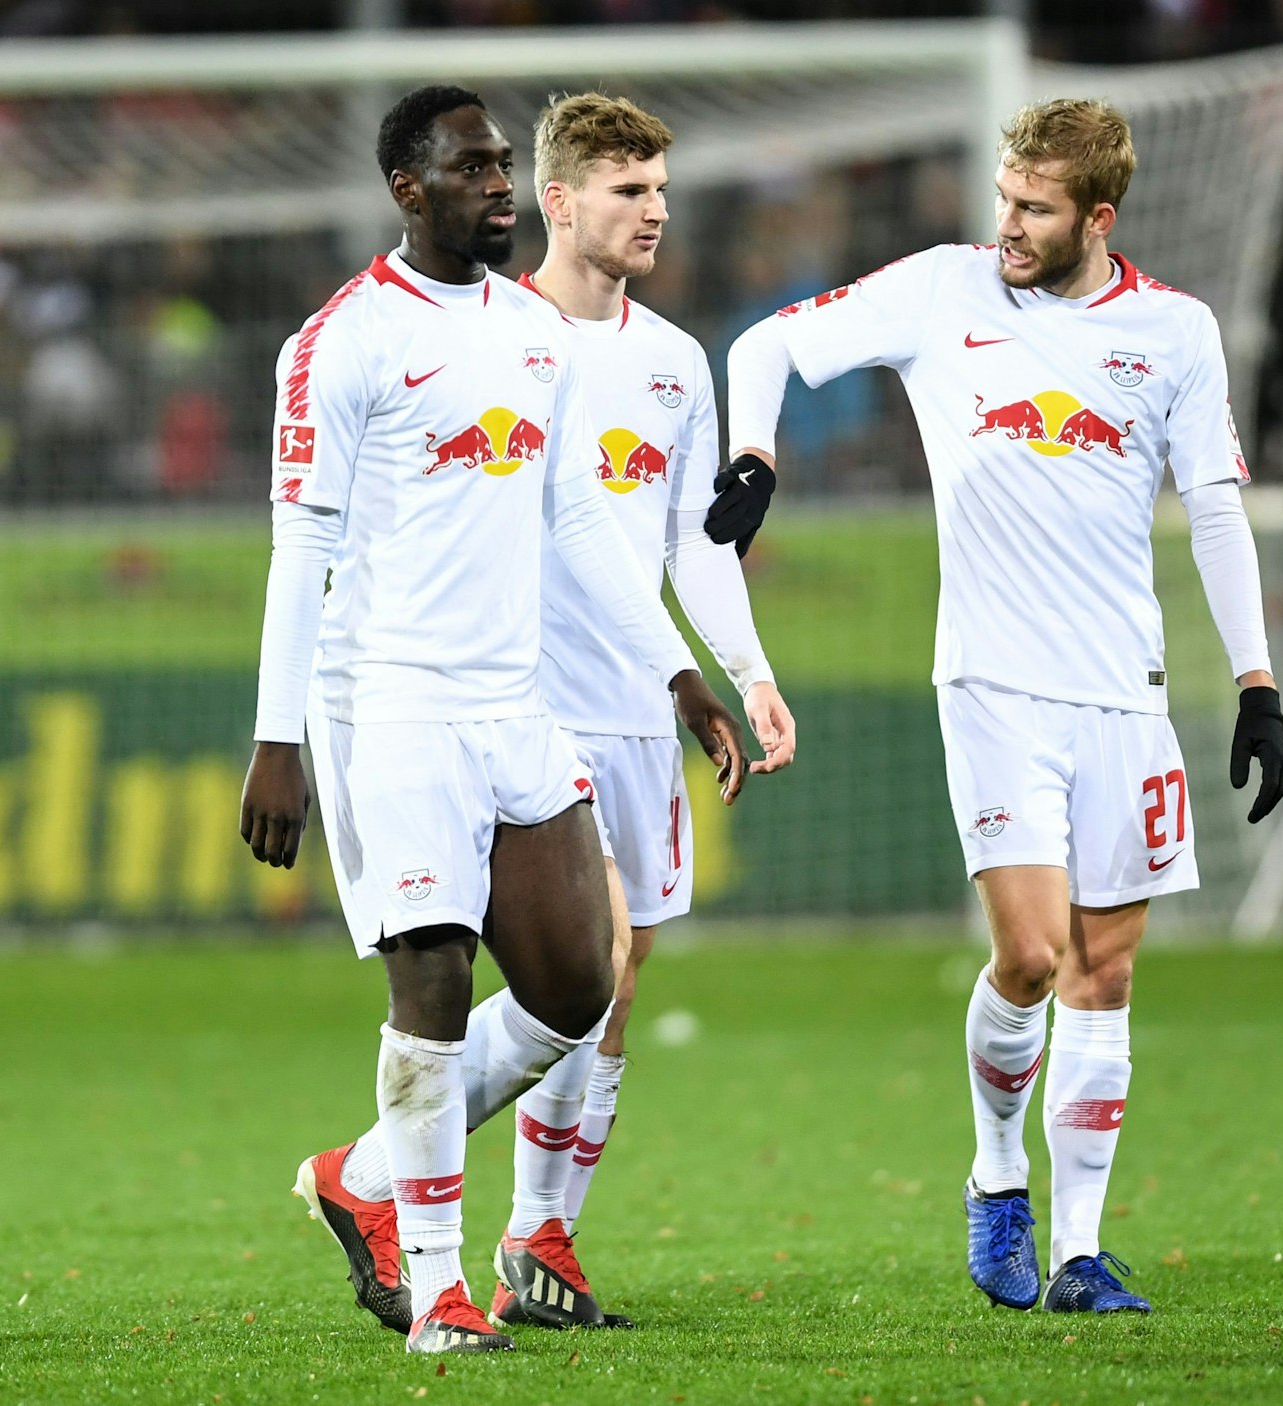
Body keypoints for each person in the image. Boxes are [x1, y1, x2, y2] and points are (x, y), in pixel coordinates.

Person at [711, 98, 1283, 1315]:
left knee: (1108, 967)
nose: (1008, 227)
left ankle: (1078, 1250)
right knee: (1028, 954)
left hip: (1120, 691)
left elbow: (1218, 508)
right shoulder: (941, 289)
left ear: (1098, 215)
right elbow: (764, 344)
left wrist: (1254, 683)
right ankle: (993, 1178)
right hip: (988, 680)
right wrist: (755, 456)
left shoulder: (1174, 332)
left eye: (1034, 209)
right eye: (1003, 200)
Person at [238, 84, 746, 1355]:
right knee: (433, 978)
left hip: (514, 705)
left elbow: (576, 514)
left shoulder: (531, 331)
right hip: (393, 706)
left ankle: (363, 1175)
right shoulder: (342, 340)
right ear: (410, 190)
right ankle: (436, 1288)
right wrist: (278, 738)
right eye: (473, 169)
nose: (501, 186)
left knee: (581, 978)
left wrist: (674, 671)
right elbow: (298, 543)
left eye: (505, 165)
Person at [481, 92, 797, 1331]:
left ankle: (535, 1233)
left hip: (636, 704)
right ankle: (409, 1190)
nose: (654, 208)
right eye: (626, 188)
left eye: (660, 188)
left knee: (615, 978)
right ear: (558, 201)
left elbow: (691, 541)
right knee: (573, 959)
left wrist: (748, 670)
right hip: (515, 703)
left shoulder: (673, 361)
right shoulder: (489, 337)